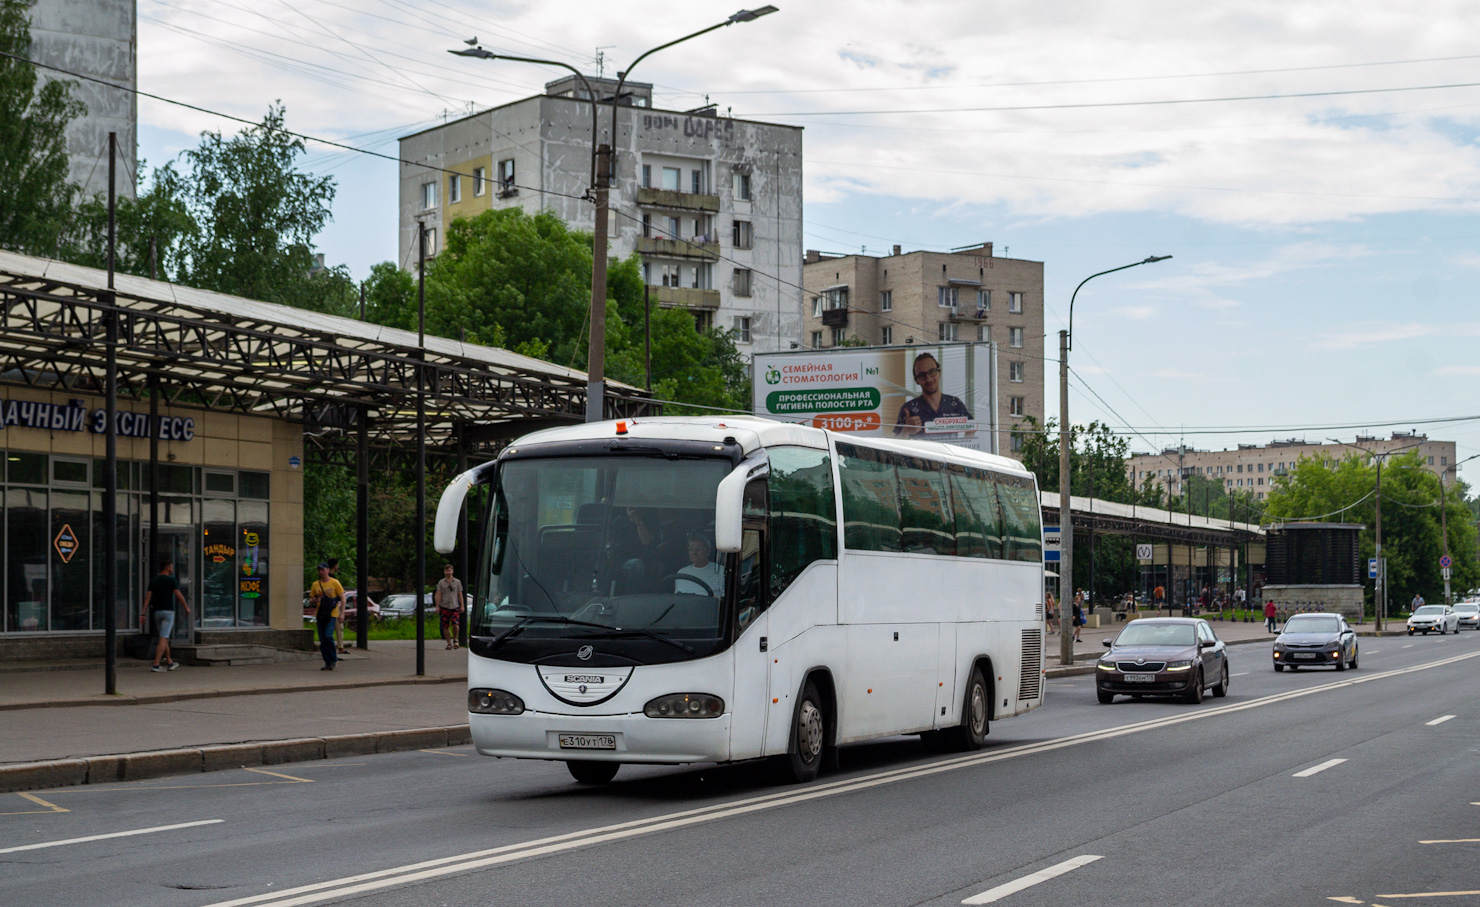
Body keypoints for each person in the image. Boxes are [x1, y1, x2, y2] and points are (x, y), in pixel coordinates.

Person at [892, 352, 974, 439]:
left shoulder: (954, 403)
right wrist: (906, 431)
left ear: (939, 373)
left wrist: (962, 445)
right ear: (916, 380)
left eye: (932, 372)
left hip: (947, 449)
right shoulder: (908, 409)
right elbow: (894, 442)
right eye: (922, 375)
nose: (928, 379)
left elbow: (972, 427)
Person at [141, 555, 190, 672]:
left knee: (164, 637)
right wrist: (186, 608)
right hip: (168, 612)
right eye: (171, 567)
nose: (172, 569)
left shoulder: (154, 581)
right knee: (163, 638)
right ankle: (156, 664)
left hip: (157, 612)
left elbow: (147, 598)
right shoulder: (171, 580)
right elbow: (179, 596)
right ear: (167, 568)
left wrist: (143, 613)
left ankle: (169, 662)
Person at [309, 563, 344, 671]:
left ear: (328, 570)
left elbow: (342, 598)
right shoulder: (315, 584)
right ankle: (327, 661)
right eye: (319, 570)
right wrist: (314, 600)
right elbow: (311, 600)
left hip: (332, 613)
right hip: (320, 614)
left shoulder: (335, 582)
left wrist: (342, 613)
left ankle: (333, 659)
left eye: (323, 569)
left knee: (328, 635)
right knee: (322, 639)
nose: (321, 572)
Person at [436, 564, 465, 650]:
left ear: (452, 571)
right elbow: (438, 594)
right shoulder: (441, 582)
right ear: (444, 572)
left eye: (449, 570)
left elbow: (460, 594)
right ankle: (449, 643)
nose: (448, 572)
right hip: (444, 606)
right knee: (445, 626)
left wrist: (462, 605)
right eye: (446, 571)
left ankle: (455, 639)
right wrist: (437, 606)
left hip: (454, 605)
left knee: (455, 623)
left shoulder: (457, 582)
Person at [328, 557, 348, 655]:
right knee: (338, 627)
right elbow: (341, 596)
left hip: (327, 606)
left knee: (333, 628)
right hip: (334, 606)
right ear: (335, 565)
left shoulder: (325, 578)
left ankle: (338, 647)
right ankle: (340, 647)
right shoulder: (333, 579)